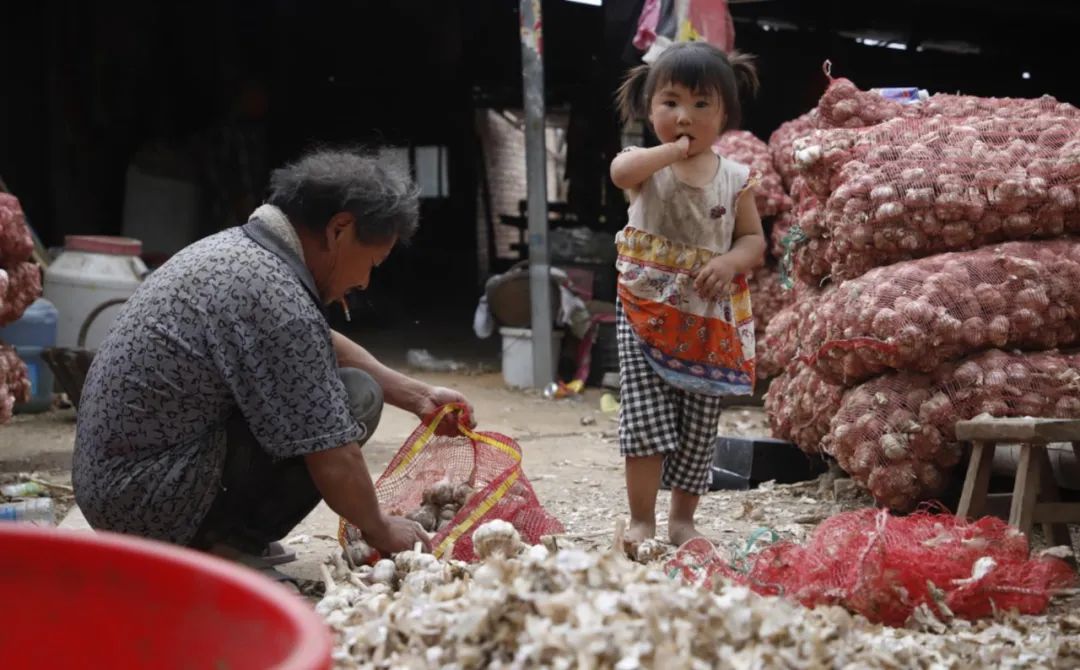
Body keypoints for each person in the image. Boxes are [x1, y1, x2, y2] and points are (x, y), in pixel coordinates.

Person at [73, 148, 473, 581]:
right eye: (372, 264)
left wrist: (419, 396)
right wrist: (379, 528)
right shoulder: (273, 295)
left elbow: (314, 341)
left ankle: (221, 535)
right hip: (145, 507)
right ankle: (218, 546)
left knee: (340, 387)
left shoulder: (244, 255)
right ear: (340, 230)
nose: (364, 282)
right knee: (354, 399)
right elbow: (332, 451)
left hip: (118, 490)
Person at [609, 42, 766, 547]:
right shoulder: (644, 164)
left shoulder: (736, 178)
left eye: (702, 105)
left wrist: (729, 261)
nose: (685, 116)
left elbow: (753, 240)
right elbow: (620, 174)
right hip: (645, 309)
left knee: (699, 427)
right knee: (646, 420)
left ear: (724, 115)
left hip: (705, 317)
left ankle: (683, 521)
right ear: (649, 107)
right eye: (671, 102)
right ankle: (642, 521)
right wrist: (671, 151)